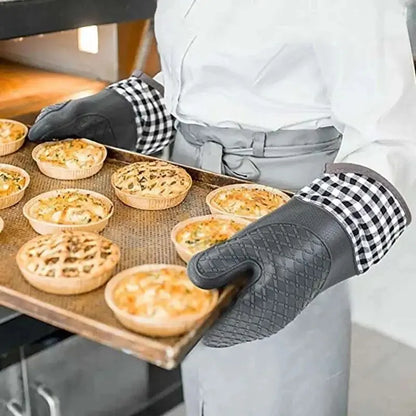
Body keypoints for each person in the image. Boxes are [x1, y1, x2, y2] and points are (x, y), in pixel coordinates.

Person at [29, 0, 416, 414]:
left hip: (294, 204)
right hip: (190, 189)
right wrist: (132, 108)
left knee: (272, 383)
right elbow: (208, 84)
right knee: (207, 378)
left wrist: (320, 240)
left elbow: (393, 138)